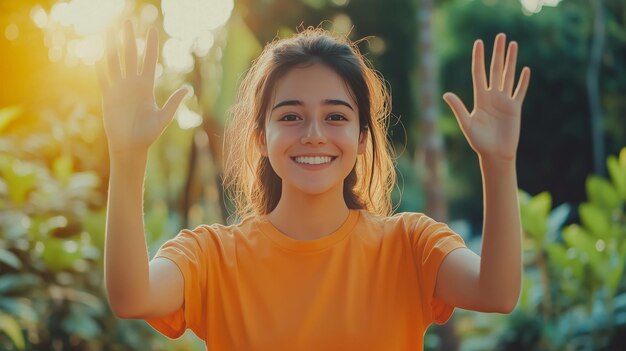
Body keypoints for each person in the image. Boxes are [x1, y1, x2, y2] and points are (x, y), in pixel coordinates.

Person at [100, 19, 530, 350]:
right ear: (260, 139)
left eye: (336, 116)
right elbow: (132, 297)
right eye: (290, 115)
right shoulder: (213, 256)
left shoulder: (409, 245)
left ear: (362, 138)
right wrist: (126, 156)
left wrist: (498, 162)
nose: (313, 134)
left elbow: (497, 292)